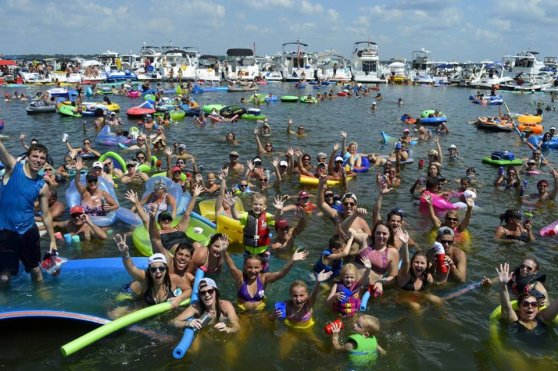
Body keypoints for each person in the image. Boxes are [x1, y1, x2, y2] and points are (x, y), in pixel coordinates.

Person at [0, 141, 57, 286]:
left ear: (45, 161)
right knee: (4, 277)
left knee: (36, 270)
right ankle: (5, 305)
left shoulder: (42, 186)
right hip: (6, 232)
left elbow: (46, 215)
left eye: (42, 158)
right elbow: (3, 151)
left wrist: (52, 240)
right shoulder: (13, 168)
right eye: (35, 156)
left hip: (28, 231)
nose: (38, 160)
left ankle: (41, 300)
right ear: (27, 156)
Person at [114, 235, 191, 310]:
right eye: (153, 269)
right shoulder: (145, 277)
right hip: (130, 292)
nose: (158, 271)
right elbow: (131, 268)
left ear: (166, 269)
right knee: (116, 314)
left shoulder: (173, 279)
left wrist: (179, 298)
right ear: (149, 271)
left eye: (161, 268)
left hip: (146, 299)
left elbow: (189, 290)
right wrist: (125, 254)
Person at [224, 248, 308, 312]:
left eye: (256, 267)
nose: (253, 271)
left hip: (261, 311)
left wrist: (292, 260)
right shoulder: (240, 277)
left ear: (261, 267)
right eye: (249, 267)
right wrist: (224, 251)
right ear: (245, 267)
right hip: (243, 312)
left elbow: (280, 274)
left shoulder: (263, 278)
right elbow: (231, 266)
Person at [271, 270, 332, 358]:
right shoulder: (286, 305)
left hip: (307, 328)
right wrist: (275, 314)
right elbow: (270, 319)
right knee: (282, 355)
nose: (298, 299)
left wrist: (318, 282)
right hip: (291, 329)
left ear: (307, 295)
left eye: (301, 295)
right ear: (290, 295)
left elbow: (314, 294)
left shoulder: (308, 303)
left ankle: (324, 289)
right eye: (295, 296)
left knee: (321, 347)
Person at [496, 263, 558, 336]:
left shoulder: (543, 318)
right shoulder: (514, 319)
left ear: (538, 309)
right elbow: (506, 308)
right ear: (519, 308)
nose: (530, 306)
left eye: (534, 304)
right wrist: (503, 286)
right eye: (525, 304)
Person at [230, 193, 280, 271]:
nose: (258, 206)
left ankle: (263, 280)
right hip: (249, 251)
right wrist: (232, 206)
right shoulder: (246, 215)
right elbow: (236, 216)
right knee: (247, 270)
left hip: (263, 251)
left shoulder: (266, 216)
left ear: (265, 207)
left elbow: (275, 218)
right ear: (251, 205)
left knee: (264, 270)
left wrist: (279, 210)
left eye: (260, 204)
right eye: (255, 204)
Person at [173, 277, 240, 335]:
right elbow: (173, 321)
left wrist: (227, 329)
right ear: (200, 295)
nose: (207, 295)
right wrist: (187, 323)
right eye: (203, 292)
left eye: (210, 291)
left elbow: (237, 327)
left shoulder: (226, 306)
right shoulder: (196, 307)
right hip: (204, 333)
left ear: (216, 292)